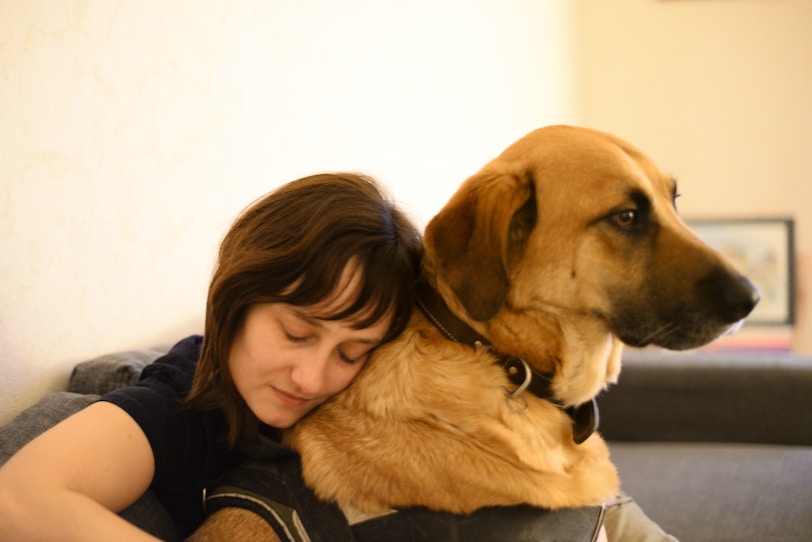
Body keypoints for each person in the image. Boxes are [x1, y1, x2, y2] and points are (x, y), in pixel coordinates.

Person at [0, 173, 424, 540]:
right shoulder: (180, 407)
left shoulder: (365, 398)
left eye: (350, 354)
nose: (310, 380)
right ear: (236, 302)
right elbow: (18, 499)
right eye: (296, 334)